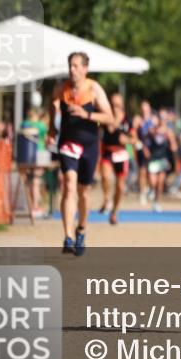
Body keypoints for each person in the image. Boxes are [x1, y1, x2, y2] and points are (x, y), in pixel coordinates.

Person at [49, 52, 114, 256]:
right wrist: (52, 127)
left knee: (83, 192)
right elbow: (52, 104)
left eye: (77, 66)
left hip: (89, 145)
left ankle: (81, 229)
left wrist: (86, 114)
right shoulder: (62, 89)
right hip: (68, 142)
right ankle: (68, 237)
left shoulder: (94, 89)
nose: (72, 70)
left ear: (85, 68)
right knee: (69, 186)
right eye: (70, 65)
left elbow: (109, 118)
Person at [99, 92, 131, 224]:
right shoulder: (107, 117)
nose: (115, 107)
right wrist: (115, 117)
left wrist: (127, 139)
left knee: (120, 187)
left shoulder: (128, 120)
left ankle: (114, 213)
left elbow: (135, 139)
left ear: (122, 104)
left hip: (121, 154)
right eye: (112, 104)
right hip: (107, 152)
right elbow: (111, 129)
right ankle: (107, 199)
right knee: (105, 177)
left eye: (117, 104)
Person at [19, 107, 48, 218]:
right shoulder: (41, 126)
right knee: (36, 181)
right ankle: (35, 206)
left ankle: (28, 205)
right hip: (38, 155)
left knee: (27, 181)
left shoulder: (24, 124)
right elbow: (45, 138)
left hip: (25, 155)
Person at [146, 114, 177, 212]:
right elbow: (145, 142)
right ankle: (151, 190)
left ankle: (157, 202)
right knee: (153, 182)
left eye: (164, 119)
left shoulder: (168, 132)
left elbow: (174, 146)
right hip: (153, 158)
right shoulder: (152, 130)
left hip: (163, 159)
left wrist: (172, 146)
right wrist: (145, 150)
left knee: (160, 182)